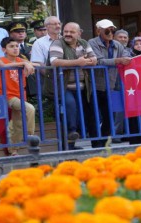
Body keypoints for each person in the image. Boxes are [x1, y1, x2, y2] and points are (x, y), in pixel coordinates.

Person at [49, 22, 98, 150]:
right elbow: (54, 61)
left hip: (83, 86)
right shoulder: (58, 43)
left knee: (80, 112)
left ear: (79, 33)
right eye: (66, 31)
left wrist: (85, 61)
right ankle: (70, 135)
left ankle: (73, 143)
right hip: (64, 86)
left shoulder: (84, 43)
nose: (68, 34)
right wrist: (78, 62)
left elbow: (94, 60)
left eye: (71, 32)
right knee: (70, 106)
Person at [88, 19, 131, 148]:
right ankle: (96, 143)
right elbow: (98, 61)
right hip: (95, 85)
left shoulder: (117, 44)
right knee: (95, 115)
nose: (110, 32)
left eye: (112, 29)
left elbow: (126, 55)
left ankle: (105, 142)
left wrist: (124, 60)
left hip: (111, 85)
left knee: (109, 115)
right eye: (107, 30)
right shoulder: (92, 43)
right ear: (98, 30)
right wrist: (118, 60)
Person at [0, 37, 38, 156]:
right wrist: (25, 63)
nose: (15, 49)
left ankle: (13, 150)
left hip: (21, 95)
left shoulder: (21, 59)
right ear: (4, 49)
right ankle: (29, 136)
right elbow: (2, 66)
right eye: (11, 46)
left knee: (16, 123)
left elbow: (40, 64)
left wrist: (27, 63)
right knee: (30, 108)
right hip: (8, 96)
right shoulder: (0, 59)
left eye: (16, 46)